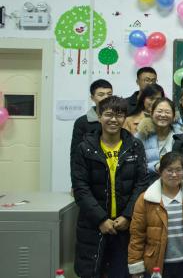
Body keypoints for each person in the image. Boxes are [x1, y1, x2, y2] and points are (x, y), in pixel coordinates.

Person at [71, 96, 148, 278]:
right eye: (108, 114)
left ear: (125, 118)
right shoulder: (85, 148)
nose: (114, 119)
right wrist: (101, 219)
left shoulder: (135, 146)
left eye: (119, 115)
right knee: (92, 272)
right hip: (93, 225)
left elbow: (141, 183)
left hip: (125, 226)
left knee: (122, 273)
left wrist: (127, 216)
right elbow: (80, 187)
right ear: (99, 116)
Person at [128, 152, 183, 277]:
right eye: (169, 170)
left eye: (178, 170)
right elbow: (137, 236)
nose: (174, 174)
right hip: (157, 264)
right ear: (160, 171)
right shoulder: (146, 199)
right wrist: (136, 267)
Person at [136, 97, 183, 181]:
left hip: (175, 181)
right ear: (151, 113)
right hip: (147, 182)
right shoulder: (141, 135)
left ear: (173, 116)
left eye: (167, 112)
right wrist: (155, 167)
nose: (163, 115)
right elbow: (135, 165)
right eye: (159, 111)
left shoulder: (181, 136)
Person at [70, 78, 113, 162]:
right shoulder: (82, 122)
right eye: (101, 95)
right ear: (92, 98)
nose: (106, 97)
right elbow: (76, 153)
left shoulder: (119, 119)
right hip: (91, 167)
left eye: (109, 94)